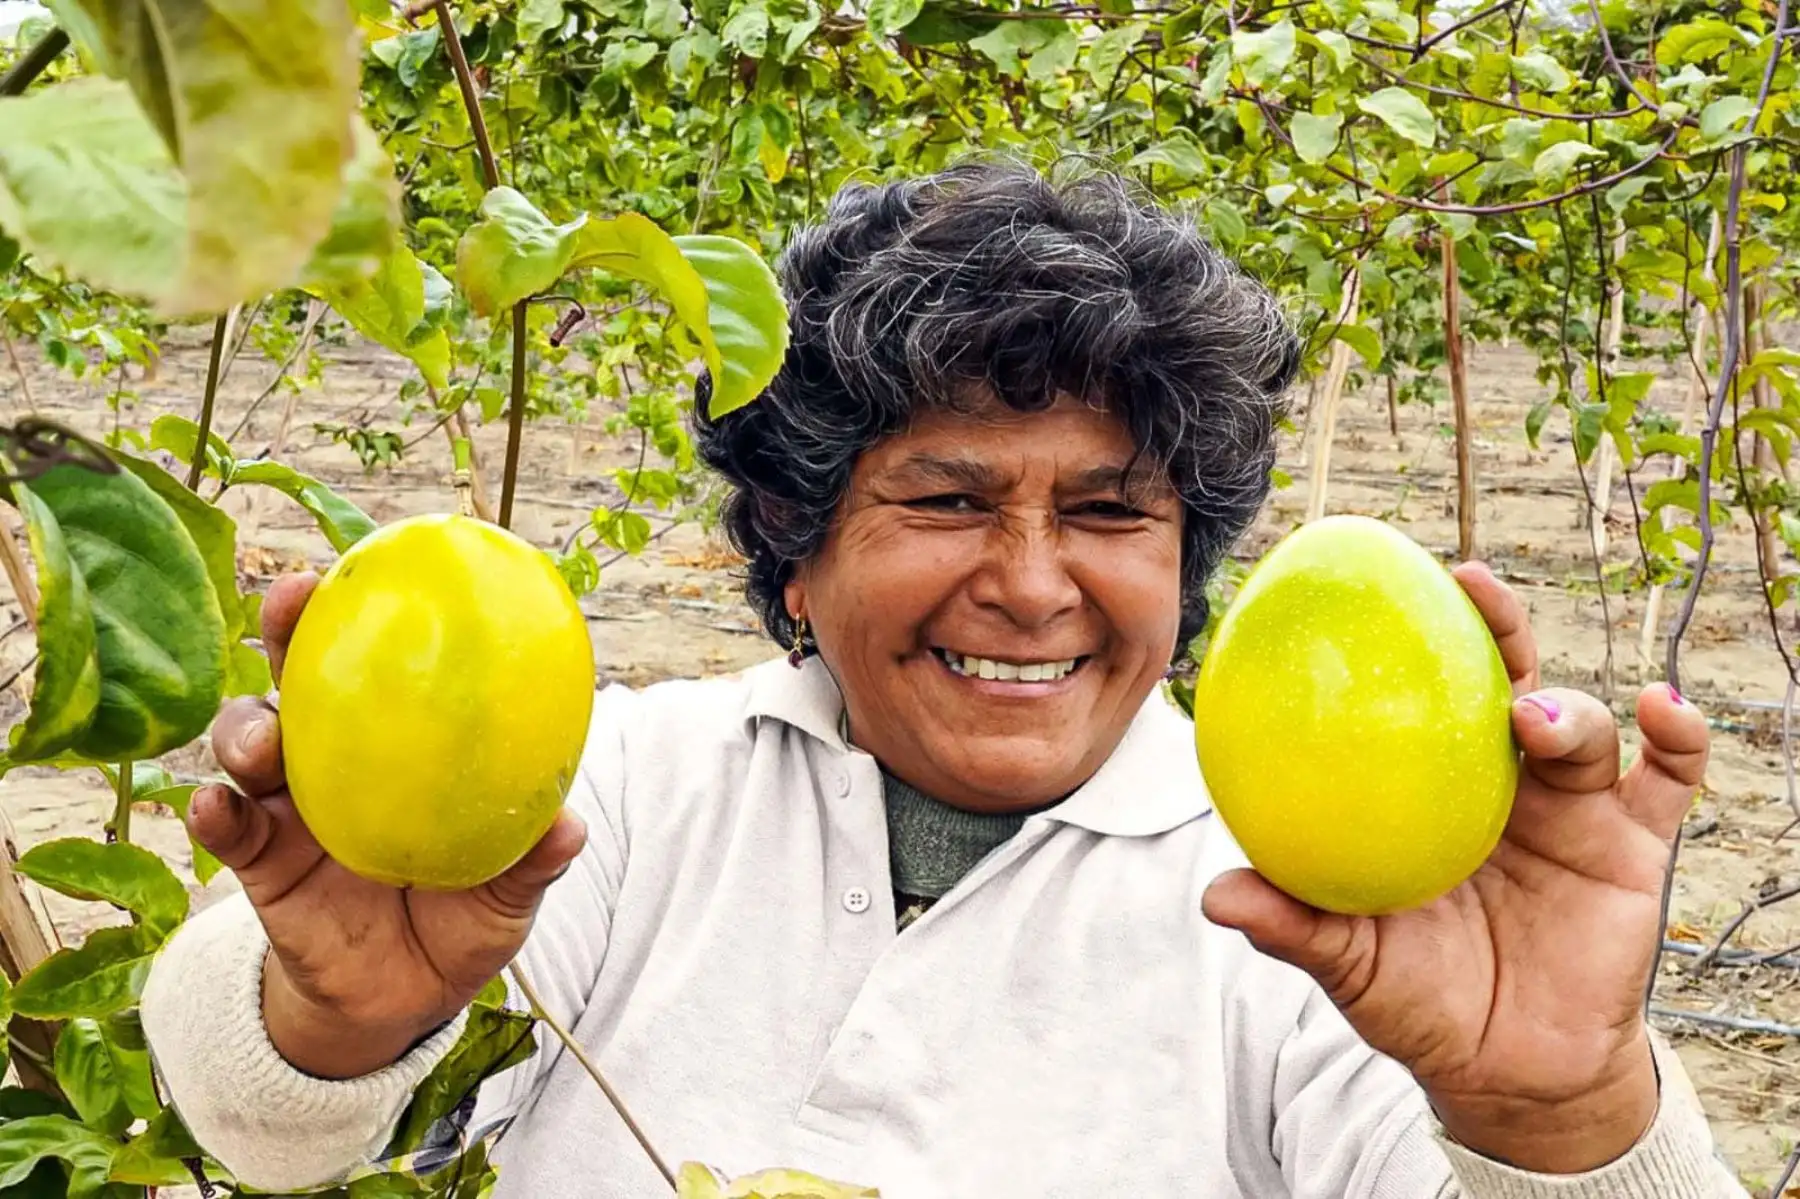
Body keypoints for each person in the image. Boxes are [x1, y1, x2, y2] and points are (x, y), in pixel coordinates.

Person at [140, 159, 1745, 1198]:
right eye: (950, 498)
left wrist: (1558, 1114)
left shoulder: (1315, 910)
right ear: (797, 539)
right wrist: (327, 1017)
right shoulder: (621, 787)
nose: (1036, 582)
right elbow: (248, 1114)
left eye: (1112, 510)